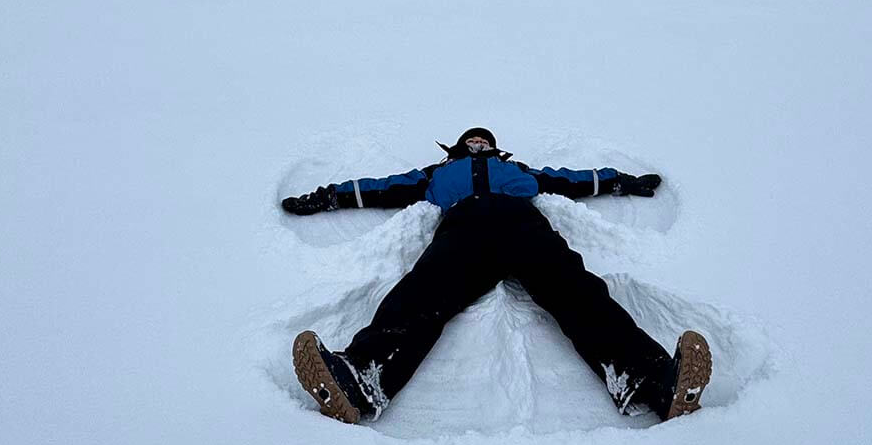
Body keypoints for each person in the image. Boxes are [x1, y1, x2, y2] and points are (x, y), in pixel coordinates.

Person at [281, 127, 712, 424]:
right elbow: (380, 187)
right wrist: (325, 198)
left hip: (522, 227)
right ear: (456, 147)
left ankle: (657, 384)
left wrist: (621, 182)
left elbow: (571, 180)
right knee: (420, 293)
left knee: (579, 292)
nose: (478, 141)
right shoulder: (439, 173)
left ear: (495, 148)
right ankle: (359, 380)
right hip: (464, 231)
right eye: (471, 138)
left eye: (484, 139)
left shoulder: (518, 171)